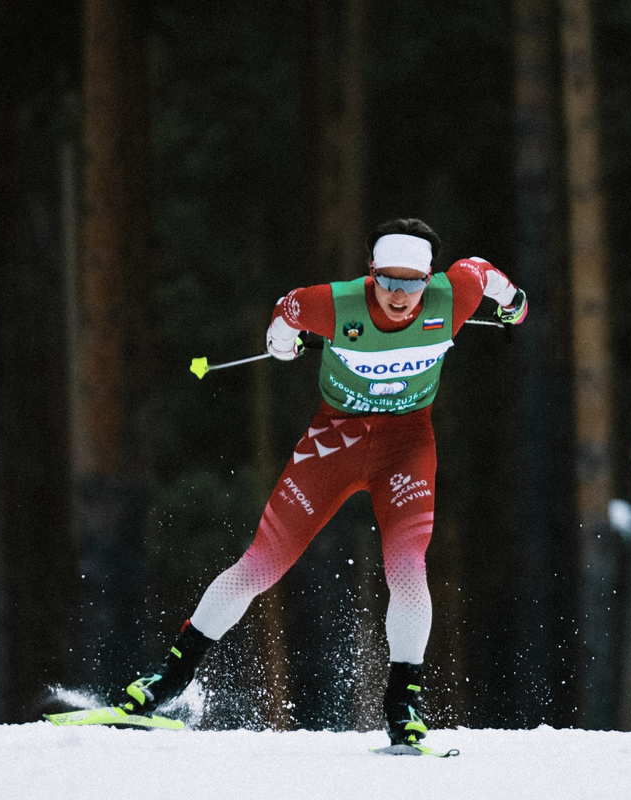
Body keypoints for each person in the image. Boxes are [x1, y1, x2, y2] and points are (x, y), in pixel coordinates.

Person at [120, 218, 527, 746]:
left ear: (430, 279)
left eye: (412, 283)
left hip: (406, 447)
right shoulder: (333, 304)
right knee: (259, 566)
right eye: (388, 281)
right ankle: (168, 681)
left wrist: (514, 303)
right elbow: (284, 314)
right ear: (371, 274)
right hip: (334, 442)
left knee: (407, 567)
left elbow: (488, 276)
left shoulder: (456, 293)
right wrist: (282, 343)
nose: (400, 296)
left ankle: (404, 704)